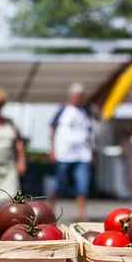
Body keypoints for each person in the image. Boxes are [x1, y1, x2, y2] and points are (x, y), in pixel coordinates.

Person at [49, 83, 93, 221]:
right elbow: (52, 131)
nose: (78, 99)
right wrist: (52, 150)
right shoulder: (62, 110)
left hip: (83, 155)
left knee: (83, 186)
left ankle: (81, 215)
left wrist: (92, 152)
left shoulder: (86, 111)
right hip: (64, 155)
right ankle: (49, 210)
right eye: (76, 96)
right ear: (71, 96)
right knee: (59, 185)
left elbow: (90, 133)